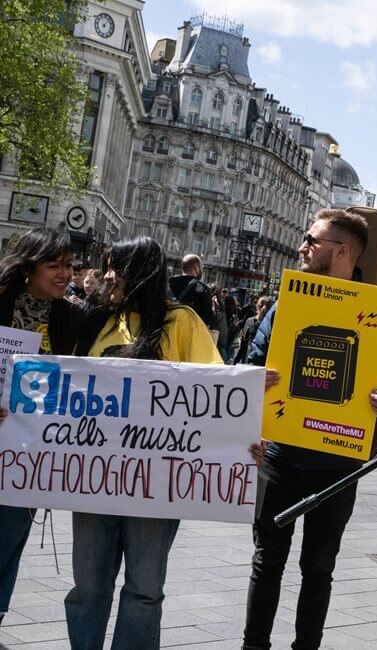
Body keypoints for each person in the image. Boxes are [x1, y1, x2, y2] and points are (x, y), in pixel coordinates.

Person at [242, 209, 377, 650]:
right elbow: (248, 371)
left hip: (336, 466)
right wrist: (257, 378)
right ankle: (253, 645)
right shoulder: (285, 306)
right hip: (279, 457)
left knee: (318, 568)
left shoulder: (376, 317)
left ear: (341, 252)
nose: (302, 247)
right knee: (266, 561)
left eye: (311, 241)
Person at [63, 236, 222, 649]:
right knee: (87, 587)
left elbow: (217, 389)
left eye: (118, 266)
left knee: (144, 590)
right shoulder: (96, 318)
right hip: (95, 482)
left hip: (156, 486)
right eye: (108, 265)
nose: (109, 275)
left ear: (144, 271)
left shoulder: (181, 320)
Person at [0, 228, 84, 627]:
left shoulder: (70, 317)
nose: (65, 273)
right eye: (55, 265)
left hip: (29, 453)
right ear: (28, 268)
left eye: (69, 264)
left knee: (10, 541)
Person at [168, 253, 214, 327]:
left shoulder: (168, 284)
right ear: (196, 268)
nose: (201, 270)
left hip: (167, 333)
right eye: (201, 267)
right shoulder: (202, 289)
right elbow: (207, 320)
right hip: (188, 335)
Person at [234, 296, 272, 365]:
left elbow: (243, 344)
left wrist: (236, 361)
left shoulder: (250, 321)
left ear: (257, 306)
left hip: (248, 359)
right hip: (264, 363)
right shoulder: (272, 326)